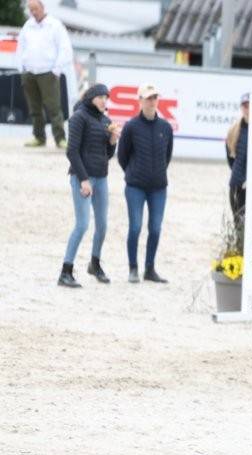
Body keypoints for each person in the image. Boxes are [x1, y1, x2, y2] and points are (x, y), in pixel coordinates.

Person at [60, 83, 119, 288]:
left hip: (101, 178)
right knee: (82, 224)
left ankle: (94, 264)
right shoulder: (78, 117)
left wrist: (113, 141)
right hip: (82, 177)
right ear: (91, 97)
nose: (104, 100)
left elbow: (107, 155)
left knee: (102, 225)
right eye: (100, 97)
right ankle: (65, 271)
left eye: (106, 97)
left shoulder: (105, 121)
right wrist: (84, 179)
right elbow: (71, 151)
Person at [116, 83, 174, 283]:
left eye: (154, 97)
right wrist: (133, 173)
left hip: (158, 188)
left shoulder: (165, 127)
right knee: (135, 227)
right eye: (148, 98)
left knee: (155, 229)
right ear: (140, 101)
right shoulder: (131, 126)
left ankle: (150, 269)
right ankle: (133, 268)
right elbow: (122, 156)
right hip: (135, 187)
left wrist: (157, 173)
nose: (152, 101)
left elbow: (167, 155)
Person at [17, 0, 73, 148]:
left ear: (42, 7)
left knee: (54, 108)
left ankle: (60, 139)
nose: (33, 12)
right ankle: (39, 137)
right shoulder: (28, 26)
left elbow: (65, 48)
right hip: (29, 72)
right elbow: (21, 47)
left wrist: (56, 69)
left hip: (48, 73)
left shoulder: (55, 25)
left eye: (35, 8)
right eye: (31, 9)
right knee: (34, 108)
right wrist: (22, 68)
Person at [227, 92, 250, 218]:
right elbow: (230, 158)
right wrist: (239, 175)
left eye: (250, 106)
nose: (248, 109)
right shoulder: (234, 130)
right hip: (236, 182)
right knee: (237, 221)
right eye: (245, 106)